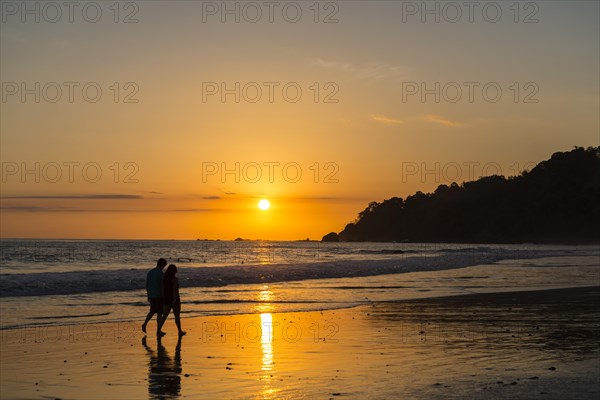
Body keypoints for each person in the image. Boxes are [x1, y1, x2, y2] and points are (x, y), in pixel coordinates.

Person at [157, 264, 186, 337]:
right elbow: (175, 291)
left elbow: (162, 289)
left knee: (164, 316)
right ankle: (179, 331)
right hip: (174, 299)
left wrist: (163, 297)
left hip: (166, 299)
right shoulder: (174, 279)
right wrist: (175, 299)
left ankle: (158, 330)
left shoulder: (164, 279)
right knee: (177, 316)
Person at [142, 258, 167, 335]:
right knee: (159, 314)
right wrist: (164, 296)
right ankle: (158, 330)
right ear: (162, 265)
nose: (164, 267)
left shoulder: (150, 272)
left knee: (152, 311)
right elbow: (162, 286)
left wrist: (148, 294)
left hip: (151, 295)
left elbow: (147, 285)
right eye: (164, 266)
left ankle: (145, 324)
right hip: (158, 295)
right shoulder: (161, 274)